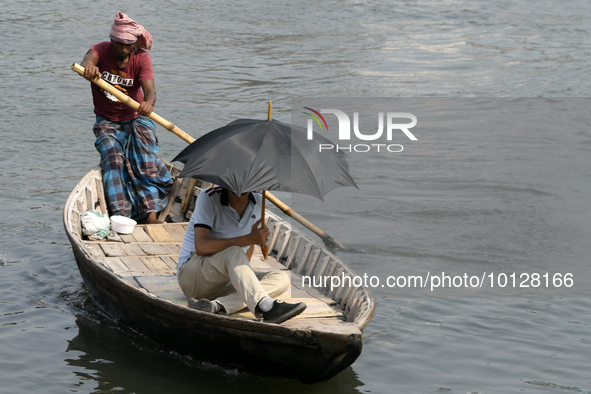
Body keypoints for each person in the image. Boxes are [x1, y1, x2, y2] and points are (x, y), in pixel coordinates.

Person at [81, 12, 172, 224]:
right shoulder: (101, 50)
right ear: (112, 41)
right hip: (107, 121)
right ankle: (121, 216)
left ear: (134, 45)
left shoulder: (141, 58)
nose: (123, 50)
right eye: (119, 44)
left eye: (128, 45)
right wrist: (90, 67)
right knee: (113, 159)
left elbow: (150, 92)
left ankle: (151, 213)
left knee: (145, 159)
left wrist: (148, 104)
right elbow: (88, 59)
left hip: (136, 117)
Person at [177, 186, 307, 324]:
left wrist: (244, 280)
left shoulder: (259, 200)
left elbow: (246, 253)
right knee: (234, 251)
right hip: (193, 276)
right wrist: (249, 239)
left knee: (282, 278)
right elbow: (201, 246)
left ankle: (218, 305)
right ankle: (266, 305)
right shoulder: (208, 197)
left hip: (225, 282)